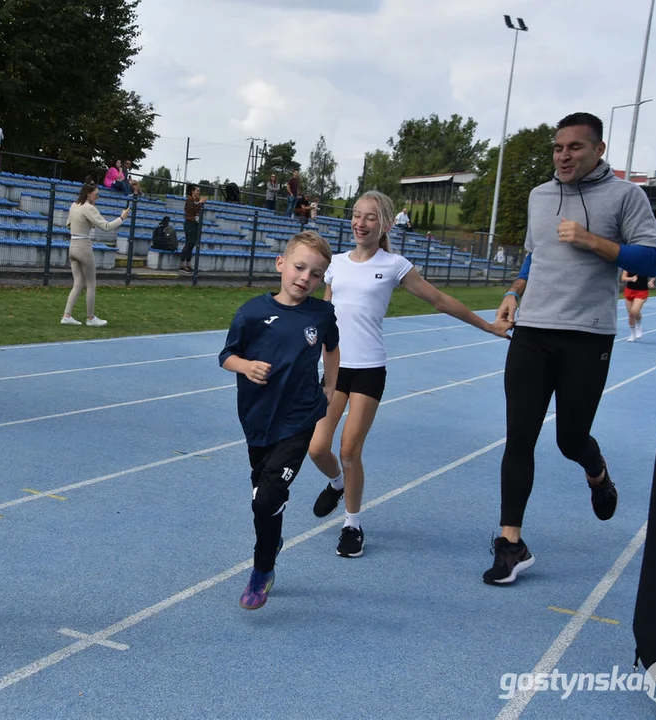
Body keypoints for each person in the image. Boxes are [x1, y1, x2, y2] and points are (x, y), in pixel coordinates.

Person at [485, 112, 656, 585]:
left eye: (575, 148)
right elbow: (534, 252)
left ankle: (597, 472)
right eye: (558, 148)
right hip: (533, 332)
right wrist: (513, 293)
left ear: (598, 150)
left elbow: (652, 258)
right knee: (519, 437)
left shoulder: (628, 196)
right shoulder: (539, 196)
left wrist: (594, 242)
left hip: (588, 335)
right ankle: (510, 545)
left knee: (569, 440)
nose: (564, 156)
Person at [308, 191, 512, 559]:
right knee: (317, 448)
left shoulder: (395, 264)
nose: (360, 223)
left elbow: (440, 300)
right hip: (336, 369)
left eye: (370, 217)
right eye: (356, 215)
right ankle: (337, 484)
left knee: (349, 449)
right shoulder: (335, 263)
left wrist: (487, 326)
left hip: (369, 368)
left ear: (385, 224)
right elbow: (324, 314)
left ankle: (352, 525)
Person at [219, 231, 340, 610]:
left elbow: (332, 348)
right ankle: (271, 539)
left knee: (266, 499)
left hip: (300, 418)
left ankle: (262, 570)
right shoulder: (252, 312)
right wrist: (246, 366)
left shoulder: (321, 314)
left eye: (316, 274)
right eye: (300, 267)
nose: (306, 278)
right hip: (257, 420)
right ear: (281, 264)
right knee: (264, 501)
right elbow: (225, 355)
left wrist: (330, 387)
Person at [61, 182, 128, 327]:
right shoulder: (89, 208)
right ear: (88, 194)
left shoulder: (74, 205)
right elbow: (106, 226)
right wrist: (122, 218)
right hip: (83, 247)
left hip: (72, 246)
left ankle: (67, 316)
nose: (97, 196)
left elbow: (68, 224)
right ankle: (90, 318)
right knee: (91, 284)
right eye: (96, 194)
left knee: (78, 284)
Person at [621, 270, 655, 341]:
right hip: (629, 290)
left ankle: (638, 325)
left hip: (642, 291)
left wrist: (651, 281)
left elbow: (655, 272)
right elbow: (623, 278)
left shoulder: (645, 264)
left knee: (635, 311)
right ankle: (632, 334)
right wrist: (631, 279)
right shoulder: (628, 264)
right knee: (630, 314)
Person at [179, 184, 205, 274]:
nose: (199, 192)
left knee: (192, 244)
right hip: (190, 224)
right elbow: (192, 211)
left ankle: (188, 264)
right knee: (188, 244)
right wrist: (200, 203)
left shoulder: (196, 200)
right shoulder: (189, 200)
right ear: (192, 191)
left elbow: (198, 210)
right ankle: (182, 265)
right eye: (197, 191)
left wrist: (200, 203)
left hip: (195, 224)